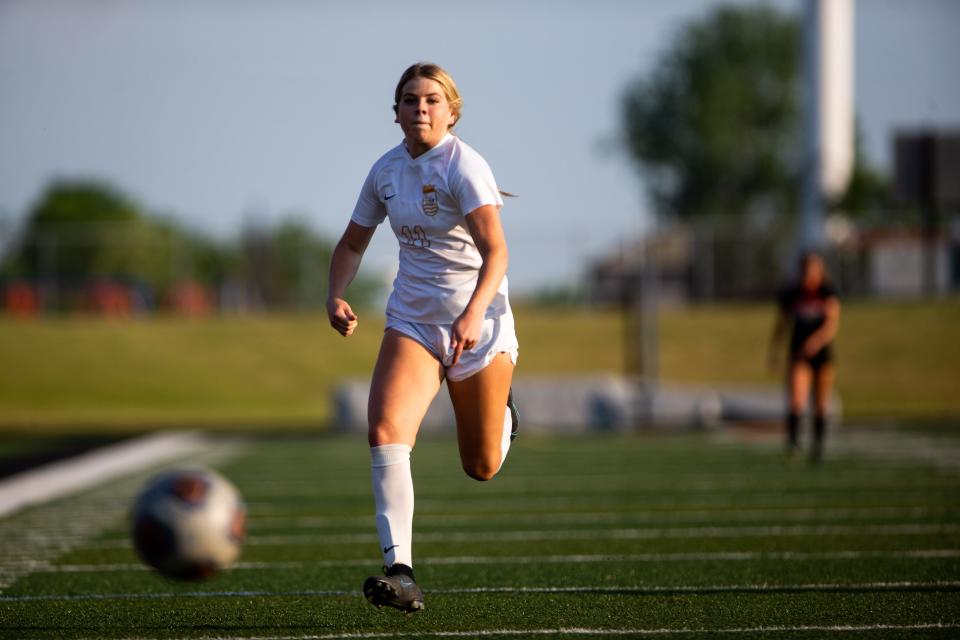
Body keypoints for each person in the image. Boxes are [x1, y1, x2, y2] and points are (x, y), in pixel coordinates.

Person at [326, 62, 519, 613]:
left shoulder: (465, 165)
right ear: (396, 113)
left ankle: (506, 416)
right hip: (412, 320)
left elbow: (498, 252)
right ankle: (401, 571)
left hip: (478, 324)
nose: (421, 108)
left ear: (451, 111)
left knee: (480, 465)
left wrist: (472, 313)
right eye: (410, 100)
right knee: (385, 429)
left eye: (433, 100)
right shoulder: (385, 171)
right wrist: (335, 294)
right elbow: (352, 243)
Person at [769, 251, 841, 465]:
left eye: (814, 269)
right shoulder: (792, 293)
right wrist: (774, 351)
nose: (809, 274)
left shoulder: (827, 291)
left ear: (820, 271)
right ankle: (793, 443)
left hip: (822, 354)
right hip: (798, 352)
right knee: (796, 400)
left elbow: (832, 323)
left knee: (820, 404)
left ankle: (818, 448)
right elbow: (781, 324)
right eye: (806, 269)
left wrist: (816, 341)